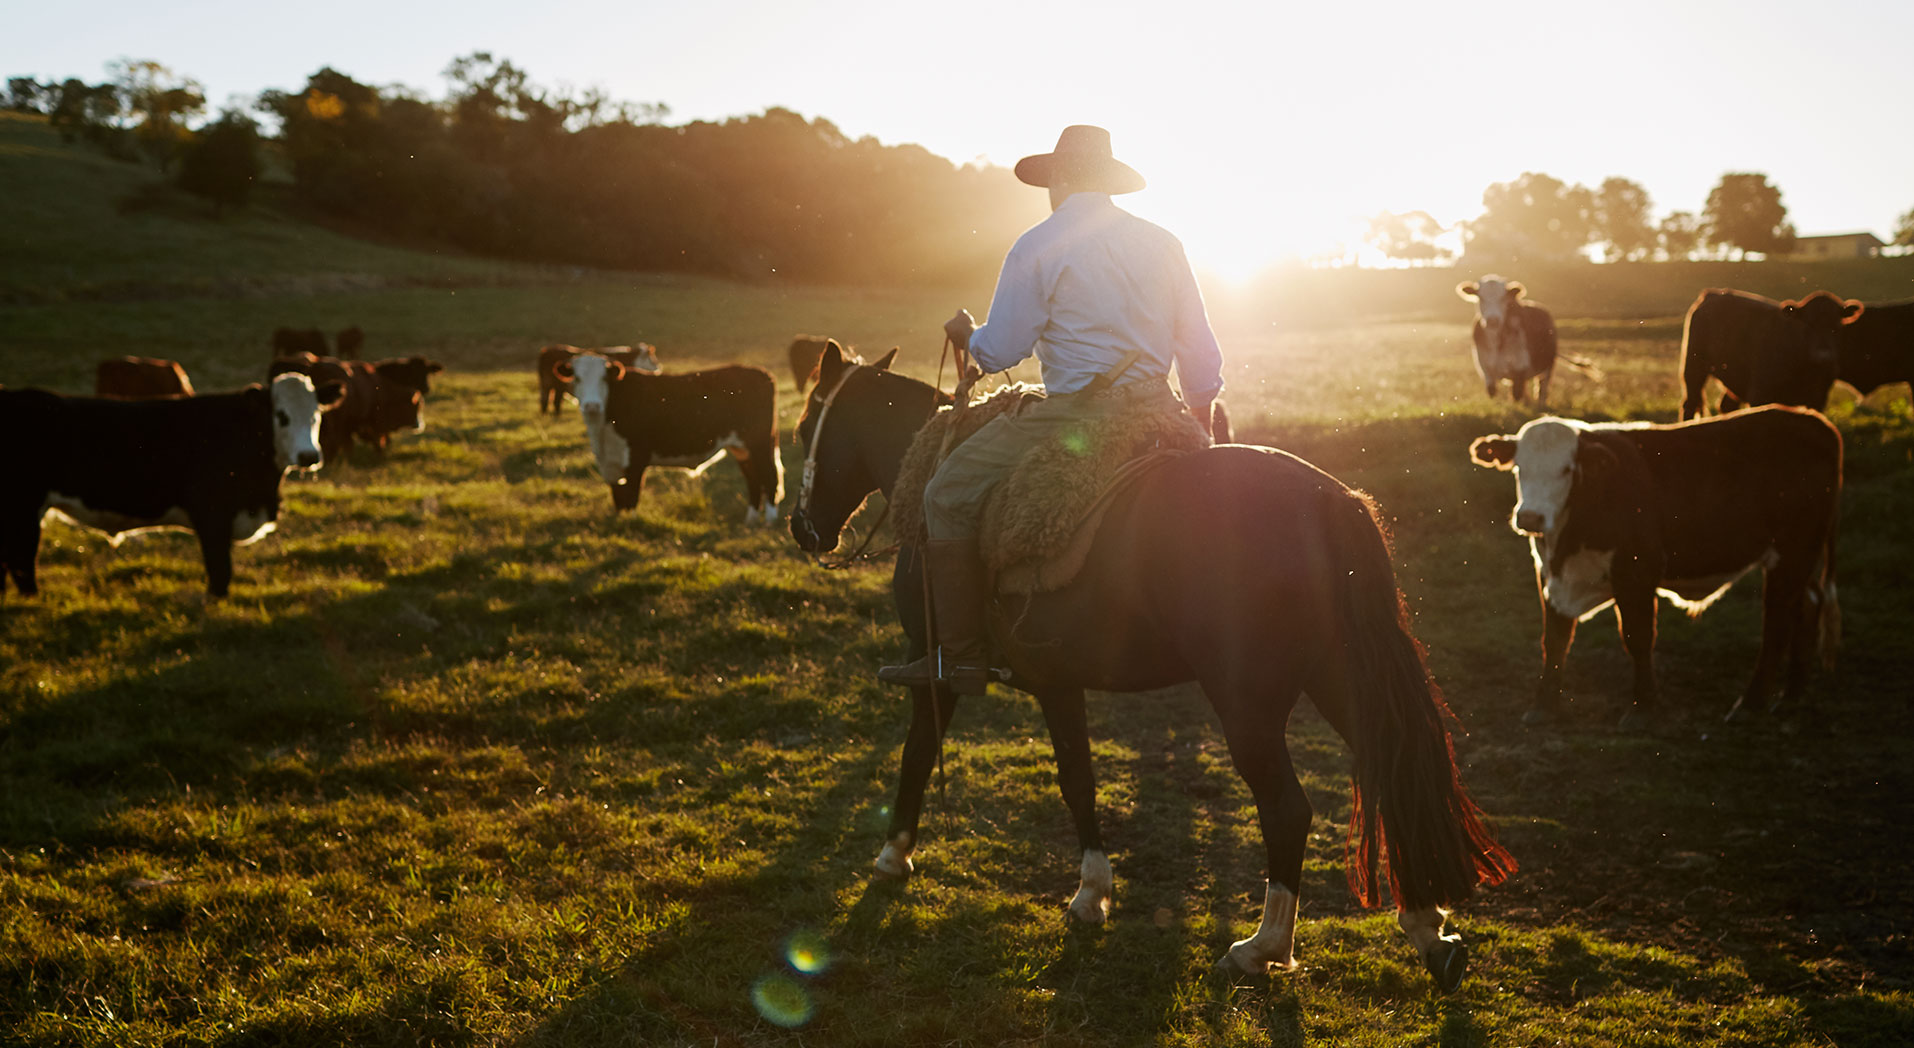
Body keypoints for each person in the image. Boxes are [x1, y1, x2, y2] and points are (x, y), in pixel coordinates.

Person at [878, 124, 1226, 694]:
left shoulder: (1038, 244)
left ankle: (961, 658)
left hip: (1077, 417)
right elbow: (1199, 351)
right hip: (1159, 408)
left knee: (945, 494)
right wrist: (1198, 419)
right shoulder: (1164, 242)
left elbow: (1005, 348)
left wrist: (971, 339)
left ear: (1058, 179)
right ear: (1109, 181)